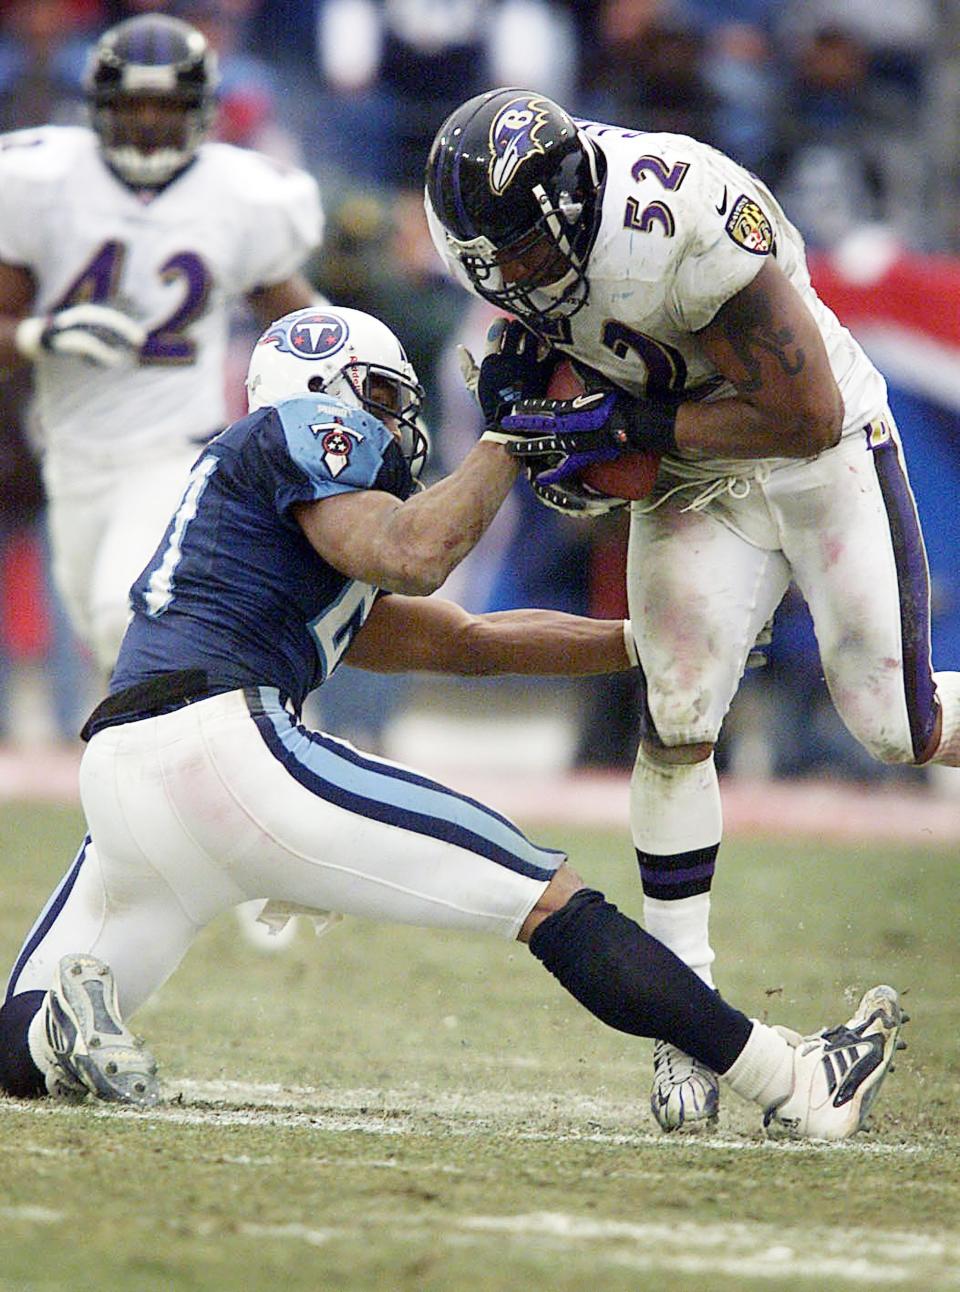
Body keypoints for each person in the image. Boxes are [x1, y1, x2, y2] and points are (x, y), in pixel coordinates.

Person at [0, 304, 904, 1142]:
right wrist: (514, 434)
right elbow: (416, 552)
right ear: (330, 388)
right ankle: (796, 1082)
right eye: (387, 396)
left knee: (17, 1053)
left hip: (124, 775)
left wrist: (649, 644)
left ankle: (62, 1031)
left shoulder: (265, 536)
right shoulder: (298, 434)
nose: (398, 423)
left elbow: (468, 640)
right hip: (223, 750)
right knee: (547, 897)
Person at [424, 87, 955, 1131]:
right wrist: (552, 431)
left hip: (819, 455)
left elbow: (804, 415)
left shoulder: (689, 215)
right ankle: (687, 1021)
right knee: (674, 715)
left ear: (573, 208)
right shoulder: (508, 247)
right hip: (690, 476)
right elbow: (569, 388)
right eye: (492, 257)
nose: (508, 274)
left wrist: (620, 420)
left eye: (525, 251)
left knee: (897, 724)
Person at [0, 12, 322, 678]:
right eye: (134, 104)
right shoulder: (41, 182)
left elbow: (302, 324)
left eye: (166, 105)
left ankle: (219, 736)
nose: (149, 121)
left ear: (202, 110)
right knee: (101, 634)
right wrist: (43, 333)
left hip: (175, 449)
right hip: (70, 450)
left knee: (129, 614)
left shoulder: (241, 195)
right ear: (98, 107)